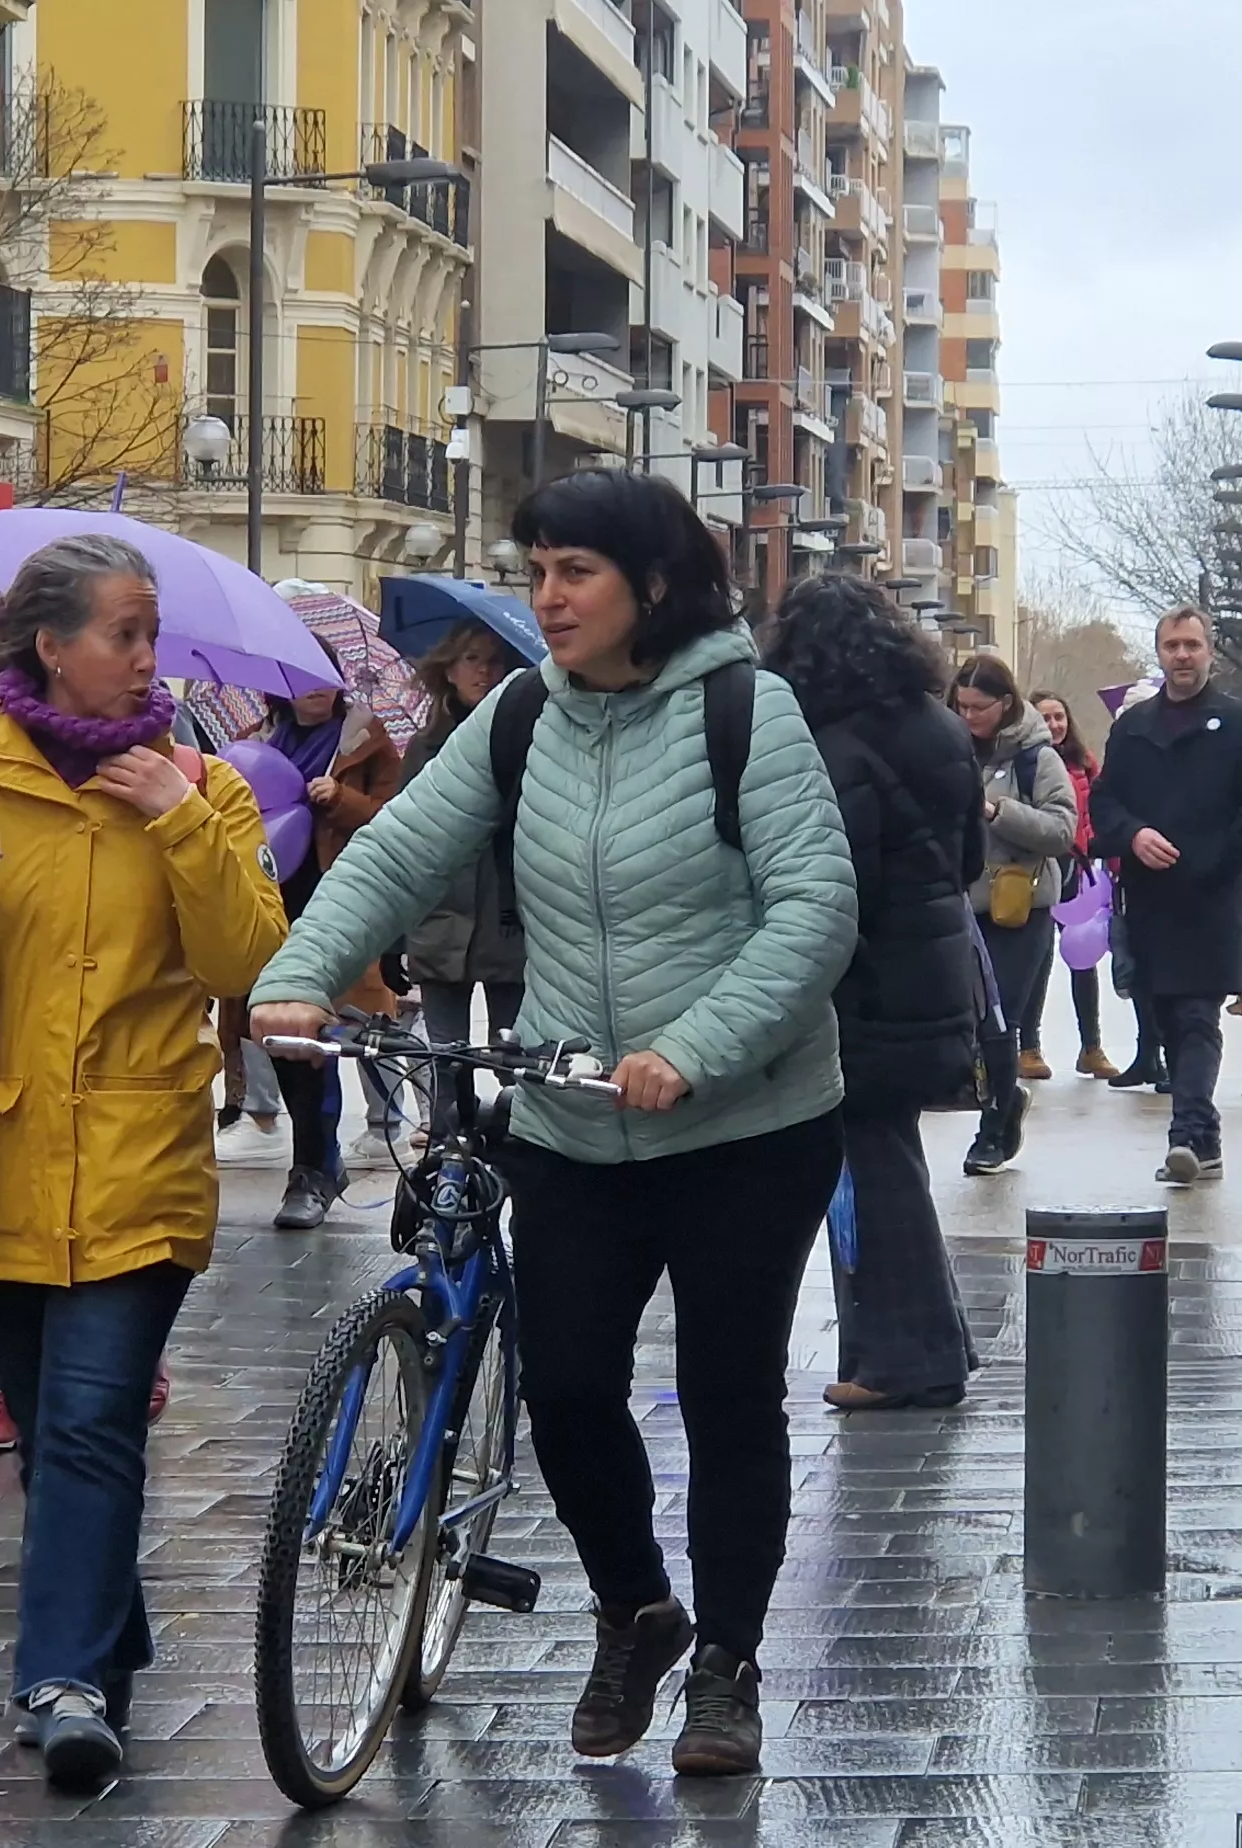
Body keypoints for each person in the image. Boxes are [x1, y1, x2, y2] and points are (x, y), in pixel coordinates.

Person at [250, 470, 855, 1780]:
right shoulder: (524, 713)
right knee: (572, 1387)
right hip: (579, 1113)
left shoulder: (750, 712)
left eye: (574, 570)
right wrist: (301, 974)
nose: (548, 597)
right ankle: (638, 1610)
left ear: (652, 585)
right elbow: (404, 844)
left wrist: (692, 1052)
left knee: (729, 1390)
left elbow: (814, 913)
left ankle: (732, 1670)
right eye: (535, 571)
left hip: (749, 1121)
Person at [0, 533, 287, 1790]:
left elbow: (249, 961)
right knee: (45, 1427)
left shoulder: (200, 781)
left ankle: (63, 1681)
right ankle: (104, 1634)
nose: (146, 660)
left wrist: (183, 823)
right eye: (121, 636)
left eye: (152, 635)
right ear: (51, 645)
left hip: (142, 1155)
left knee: (90, 1421)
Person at [767, 573, 982, 1413]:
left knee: (868, 1169)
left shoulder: (835, 745)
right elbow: (965, 859)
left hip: (867, 989)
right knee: (888, 1159)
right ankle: (925, 1344)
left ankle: (901, 1358)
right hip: (931, 972)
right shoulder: (940, 727)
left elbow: (833, 886)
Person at [1088, 608, 1242, 1183]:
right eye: (1172, 645)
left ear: (1209, 653)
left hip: (1209, 898)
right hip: (1149, 898)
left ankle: (1185, 1136)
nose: (1182, 655)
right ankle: (1206, 1139)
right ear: (1158, 653)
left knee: (1198, 1015)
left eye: (1193, 645)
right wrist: (1133, 835)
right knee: (1166, 1018)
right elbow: (1105, 800)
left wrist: (1216, 861)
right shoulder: (1132, 727)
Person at [252, 682, 406, 1230]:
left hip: (344, 914)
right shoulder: (256, 743)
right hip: (271, 910)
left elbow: (398, 823)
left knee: (337, 1034)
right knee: (288, 1044)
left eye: (321, 679)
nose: (312, 691)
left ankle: (320, 1164)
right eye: (298, 681)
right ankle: (316, 1164)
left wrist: (340, 799)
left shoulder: (368, 743)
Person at [953, 652, 1078, 1173]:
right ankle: (1004, 1101)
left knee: (1000, 1020)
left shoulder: (1036, 758)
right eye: (959, 706)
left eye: (978, 707)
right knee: (971, 1022)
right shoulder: (948, 748)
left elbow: (1062, 830)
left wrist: (995, 810)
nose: (967, 717)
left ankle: (994, 1128)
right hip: (960, 906)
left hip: (1019, 909)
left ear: (1005, 705)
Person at [403, 621, 530, 1045]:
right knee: (445, 1061)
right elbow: (404, 841)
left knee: (515, 1061)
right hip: (439, 925)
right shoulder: (425, 748)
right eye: (471, 659)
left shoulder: (529, 739)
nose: (484, 672)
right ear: (449, 669)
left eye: (495, 661)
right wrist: (392, 941)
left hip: (510, 924)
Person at [1036, 692, 1115, 1077]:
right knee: (1036, 959)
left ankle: (1091, 1047)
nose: (1053, 725)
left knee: (1083, 959)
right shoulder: (1026, 760)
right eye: (1045, 718)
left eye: (1059, 717)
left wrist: (1105, 853)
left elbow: (1098, 812)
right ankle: (1028, 1047)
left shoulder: (1084, 763)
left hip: (1076, 869)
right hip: (1034, 868)